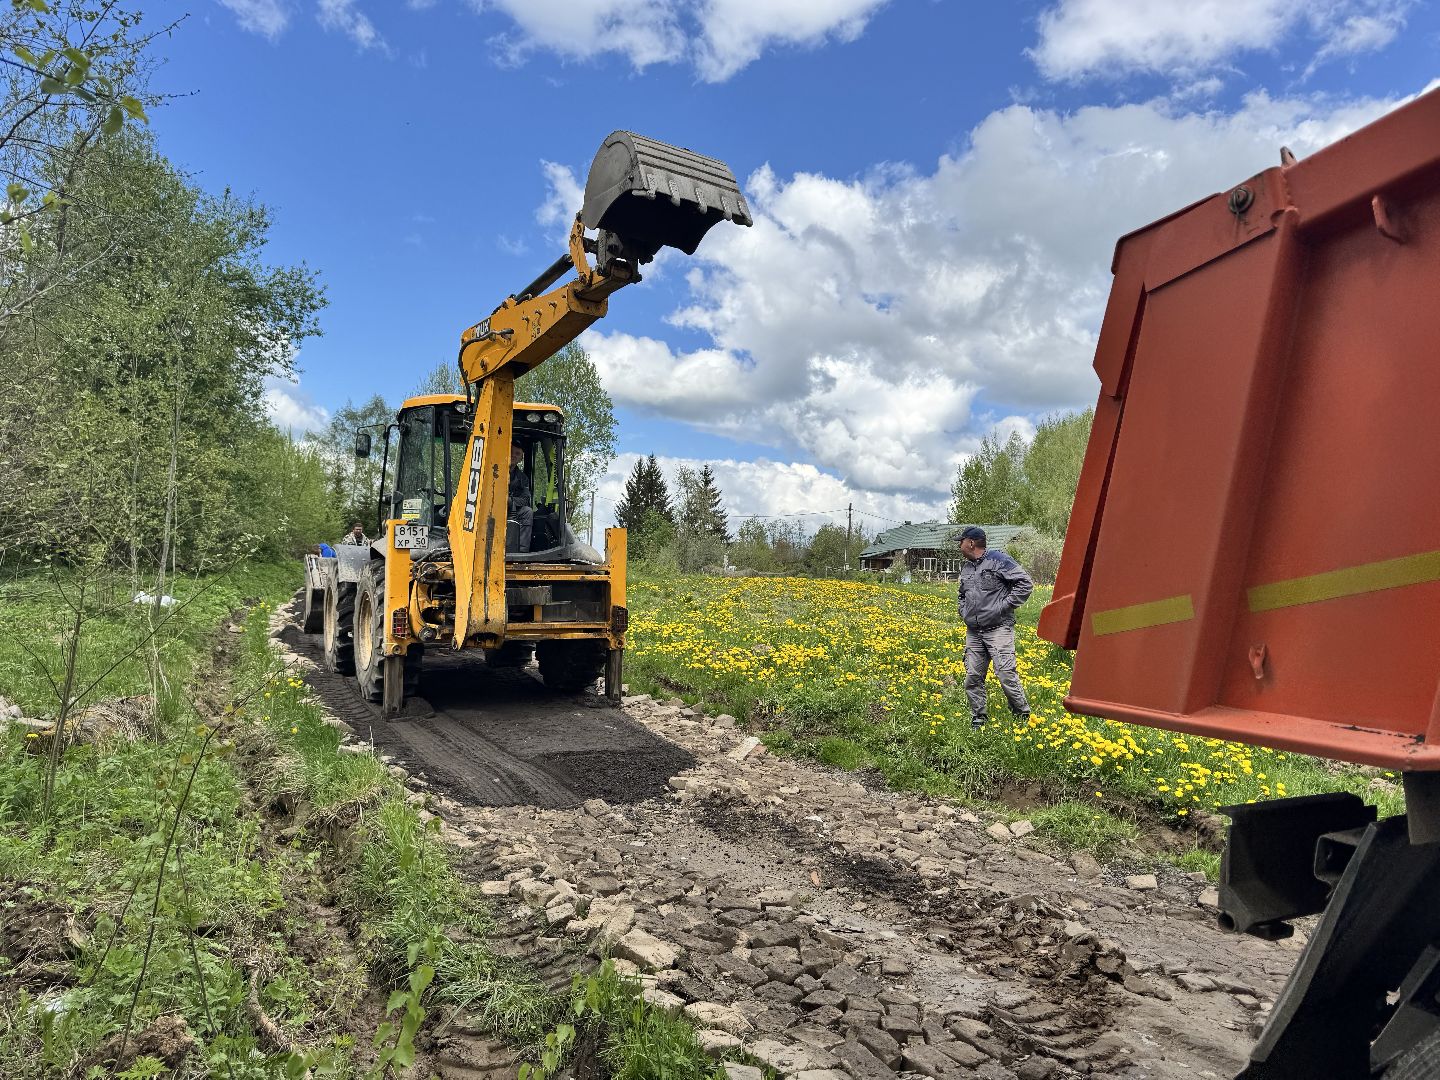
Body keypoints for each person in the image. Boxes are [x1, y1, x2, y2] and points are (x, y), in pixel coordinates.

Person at [956, 526, 1033, 730]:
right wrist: (963, 611)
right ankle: (978, 716)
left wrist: (1002, 608)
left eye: (961, 541)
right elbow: (962, 594)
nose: (959, 545)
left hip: (998, 628)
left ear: (971, 543)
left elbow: (1025, 584)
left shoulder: (999, 560)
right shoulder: (966, 567)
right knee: (973, 675)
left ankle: (1022, 714)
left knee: (1006, 673)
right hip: (974, 631)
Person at [508, 459, 533, 552]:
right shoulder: (493, 469)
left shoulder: (522, 478)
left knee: (527, 512)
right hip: (492, 507)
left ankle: (521, 551)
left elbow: (525, 499)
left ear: (521, 458)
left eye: (517, 453)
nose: (514, 455)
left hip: (511, 510)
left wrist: (510, 501)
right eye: (512, 452)